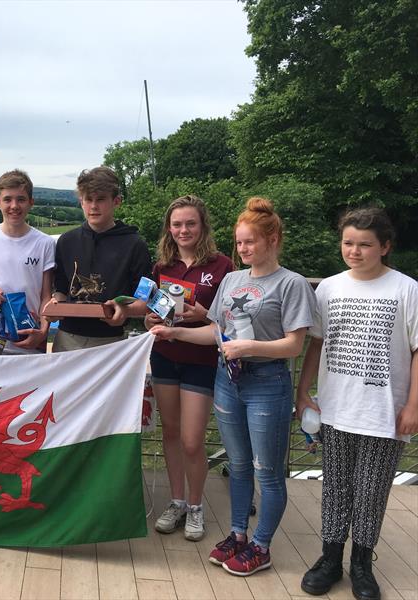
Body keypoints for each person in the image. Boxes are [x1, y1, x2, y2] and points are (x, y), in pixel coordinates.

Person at [152, 197, 316, 576]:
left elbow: (294, 344)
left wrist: (248, 347)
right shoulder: (232, 279)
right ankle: (239, 535)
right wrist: (173, 331)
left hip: (267, 383)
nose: (242, 249)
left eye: (250, 242)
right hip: (229, 381)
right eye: (239, 243)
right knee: (239, 466)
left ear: (272, 239)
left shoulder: (291, 283)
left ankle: (262, 545)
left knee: (267, 470)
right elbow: (215, 331)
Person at [297, 207, 418, 600]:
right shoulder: (328, 288)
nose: (355, 250)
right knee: (335, 487)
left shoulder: (406, 289)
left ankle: (362, 565)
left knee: (371, 491)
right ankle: (330, 559)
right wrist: (304, 392)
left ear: (384, 246)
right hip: (336, 407)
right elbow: (315, 343)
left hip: (383, 410)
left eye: (365, 244)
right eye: (348, 243)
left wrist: (413, 406)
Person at [143, 195, 233, 542]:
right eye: (177, 224)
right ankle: (177, 501)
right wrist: (151, 316)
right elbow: (155, 309)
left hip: (201, 360)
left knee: (192, 441)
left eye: (190, 223)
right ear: (169, 227)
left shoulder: (222, 265)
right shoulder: (161, 265)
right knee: (171, 434)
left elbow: (229, 321)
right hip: (165, 355)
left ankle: (196, 506)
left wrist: (204, 316)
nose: (183, 230)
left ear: (202, 225)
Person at [51, 166, 151, 351]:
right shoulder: (66, 241)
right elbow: (61, 290)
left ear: (117, 201)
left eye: (101, 199)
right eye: (88, 199)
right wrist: (53, 307)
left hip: (112, 341)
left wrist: (126, 310)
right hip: (68, 339)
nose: (94, 206)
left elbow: (145, 301)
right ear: (81, 202)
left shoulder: (135, 245)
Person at [0, 169, 55, 355]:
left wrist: (43, 332)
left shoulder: (45, 243)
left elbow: (46, 296)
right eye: (8, 199)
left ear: (31, 202)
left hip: (28, 337)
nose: (14, 206)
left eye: (21, 199)